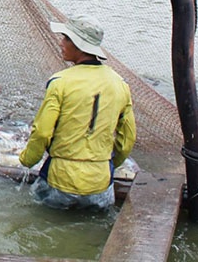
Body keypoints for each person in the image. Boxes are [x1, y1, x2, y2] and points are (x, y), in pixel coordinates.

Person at [18, 17, 136, 211]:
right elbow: (127, 139)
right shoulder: (120, 84)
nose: (60, 43)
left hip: (60, 180)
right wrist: (107, 164)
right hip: (100, 183)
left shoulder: (60, 82)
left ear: (79, 46)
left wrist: (27, 160)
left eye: (66, 38)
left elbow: (42, 132)